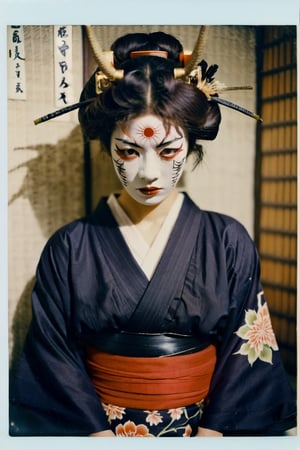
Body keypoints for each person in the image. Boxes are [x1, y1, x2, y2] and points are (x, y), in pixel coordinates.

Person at [10, 27, 296, 438]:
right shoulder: (70, 247)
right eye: (128, 151)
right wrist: (97, 436)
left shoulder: (226, 240)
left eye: (168, 151)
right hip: (97, 435)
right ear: (106, 144)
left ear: (191, 144)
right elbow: (52, 354)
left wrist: (213, 434)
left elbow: (244, 352)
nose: (149, 172)